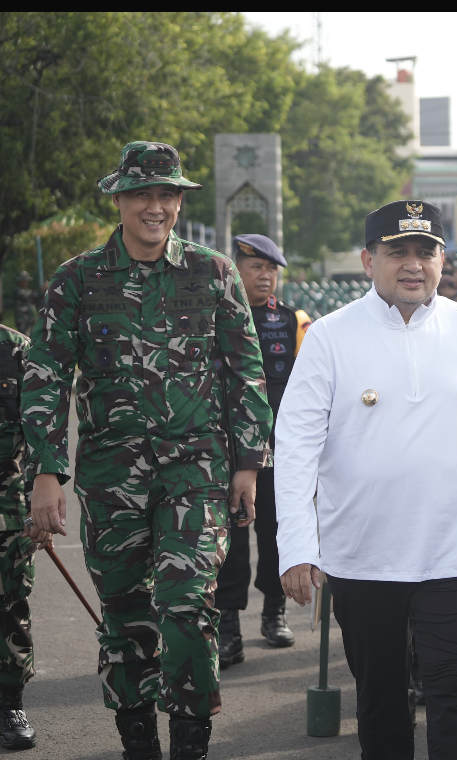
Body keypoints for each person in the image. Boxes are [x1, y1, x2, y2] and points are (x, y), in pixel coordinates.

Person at [21, 141, 272, 760]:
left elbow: (246, 371)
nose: (155, 206)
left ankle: (191, 741)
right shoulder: (77, 278)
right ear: (120, 199)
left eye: (167, 195)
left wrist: (247, 465)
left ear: (179, 201)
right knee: (127, 613)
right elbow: (45, 376)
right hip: (111, 476)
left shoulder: (212, 273)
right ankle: (138, 742)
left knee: (187, 604)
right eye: (142, 194)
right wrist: (47, 473)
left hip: (196, 470)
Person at [275, 200, 457, 760]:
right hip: (364, 556)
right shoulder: (329, 336)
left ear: (444, 261)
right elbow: (295, 448)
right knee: (381, 702)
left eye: (426, 252)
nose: (413, 265)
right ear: (369, 261)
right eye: (398, 252)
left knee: (455, 699)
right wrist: (296, 545)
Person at [214, 233, 312, 668]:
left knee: (275, 533)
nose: (266, 276)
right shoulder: (213, 316)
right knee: (229, 541)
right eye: (256, 268)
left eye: (272, 269)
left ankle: (274, 613)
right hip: (225, 448)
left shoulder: (293, 322)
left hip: (278, 451)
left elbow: (310, 391)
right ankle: (228, 625)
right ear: (236, 269)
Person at [0, 324, 37, 750]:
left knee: (10, 605)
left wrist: (37, 504)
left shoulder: (16, 349)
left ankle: (10, 700)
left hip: (6, 504)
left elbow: (39, 430)